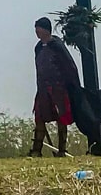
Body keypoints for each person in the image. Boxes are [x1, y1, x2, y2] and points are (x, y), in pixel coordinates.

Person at [28, 17, 81, 157]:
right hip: (43, 89)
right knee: (39, 117)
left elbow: (69, 66)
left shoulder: (57, 46)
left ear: (45, 30)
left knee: (61, 118)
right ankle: (36, 150)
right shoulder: (38, 48)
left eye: (38, 29)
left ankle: (62, 150)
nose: (36, 32)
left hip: (58, 88)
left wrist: (73, 86)